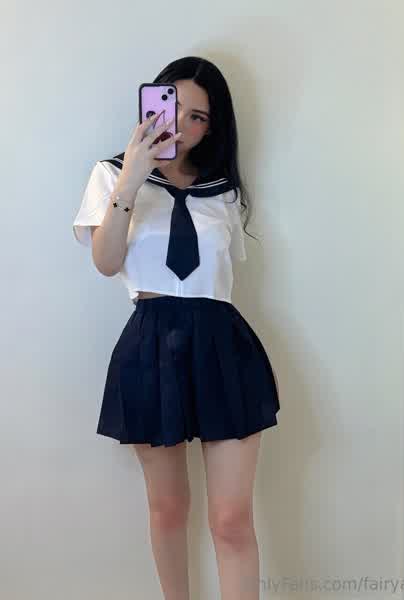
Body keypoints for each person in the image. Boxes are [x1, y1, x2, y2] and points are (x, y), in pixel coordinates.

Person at [72, 55, 280, 600]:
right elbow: (106, 261)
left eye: (198, 117)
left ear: (212, 127)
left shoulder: (223, 191)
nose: (181, 126)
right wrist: (132, 178)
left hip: (222, 344)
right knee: (168, 509)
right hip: (151, 344)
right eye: (173, 108)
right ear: (151, 104)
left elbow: (221, 278)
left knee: (231, 518)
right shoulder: (111, 175)